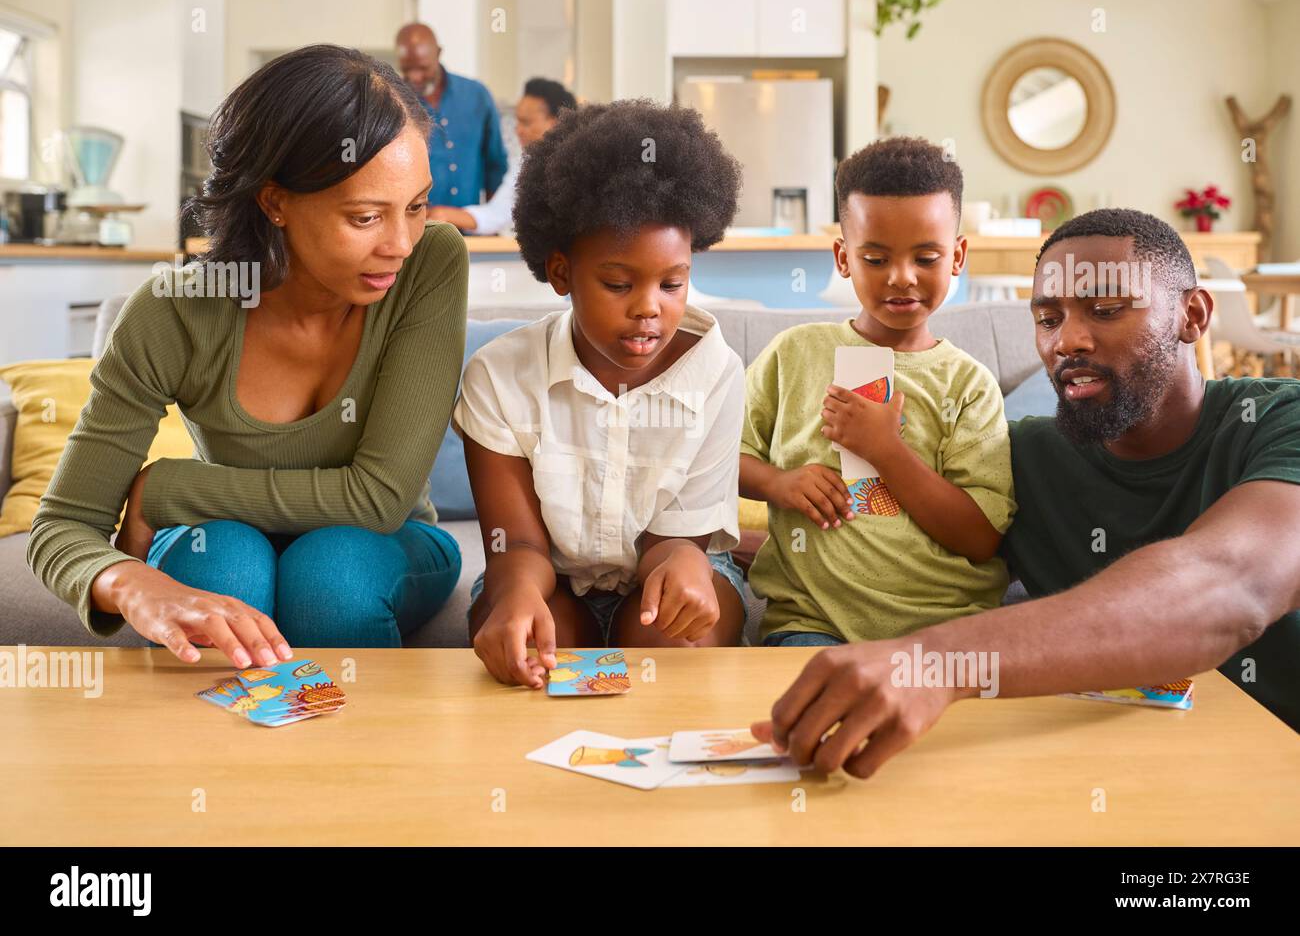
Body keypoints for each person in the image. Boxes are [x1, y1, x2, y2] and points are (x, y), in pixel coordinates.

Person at [751, 207, 1300, 777]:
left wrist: (936, 664)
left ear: (1192, 314)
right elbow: (884, 536)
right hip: (1117, 781)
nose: (1068, 341)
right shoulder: (1024, 456)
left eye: (1106, 310)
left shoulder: (1281, 420)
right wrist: (700, 550)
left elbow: (1229, 584)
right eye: (1047, 318)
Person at [27, 45, 468, 665]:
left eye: (417, 206)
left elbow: (379, 499)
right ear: (275, 201)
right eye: (366, 216)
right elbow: (63, 524)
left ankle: (359, 764)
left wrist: (167, 487)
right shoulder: (175, 311)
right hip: (230, 538)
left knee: (330, 576)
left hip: (388, 538)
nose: (400, 243)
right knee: (224, 567)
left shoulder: (431, 263)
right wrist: (128, 582)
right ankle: (207, 763)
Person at [453, 100, 747, 688]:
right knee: (536, 653)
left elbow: (675, 542)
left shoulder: (716, 371)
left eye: (673, 283)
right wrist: (512, 597)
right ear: (561, 273)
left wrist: (688, 559)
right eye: (618, 283)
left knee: (675, 641)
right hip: (545, 576)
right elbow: (519, 547)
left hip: (667, 567)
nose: (649, 308)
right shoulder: (499, 375)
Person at [740, 136, 1016, 646]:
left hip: (945, 632)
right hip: (814, 626)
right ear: (843, 259)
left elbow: (980, 537)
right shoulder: (794, 354)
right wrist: (779, 484)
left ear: (957, 257)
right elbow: (715, 458)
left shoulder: (968, 385)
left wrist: (886, 451)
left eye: (926, 258)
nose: (902, 278)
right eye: (876, 258)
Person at [429, 77, 577, 235]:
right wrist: (441, 214)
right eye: (517, 122)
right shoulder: (525, 164)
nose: (518, 130)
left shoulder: (583, 164)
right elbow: (499, 212)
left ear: (557, 122)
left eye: (526, 123)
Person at [396, 22, 509, 210]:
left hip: (471, 229)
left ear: (438, 53)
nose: (415, 77)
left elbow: (495, 163)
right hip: (418, 231)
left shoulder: (476, 95)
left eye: (423, 68)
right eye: (407, 69)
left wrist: (490, 221)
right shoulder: (394, 101)